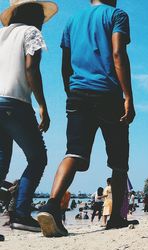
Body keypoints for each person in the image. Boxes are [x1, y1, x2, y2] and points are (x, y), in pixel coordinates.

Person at [37, 0, 137, 237]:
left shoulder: (72, 21)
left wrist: (69, 91)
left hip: (77, 93)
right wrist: (128, 96)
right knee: (119, 160)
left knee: (74, 153)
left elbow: (65, 65)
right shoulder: (117, 15)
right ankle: (115, 218)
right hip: (108, 93)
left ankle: (52, 204)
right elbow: (117, 53)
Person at [0, 0, 57, 232]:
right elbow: (31, 68)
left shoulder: (2, 33)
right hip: (16, 102)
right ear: (35, 14)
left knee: (2, 162)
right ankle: (21, 214)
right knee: (37, 159)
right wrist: (42, 105)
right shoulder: (30, 32)